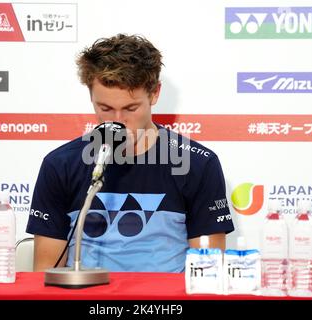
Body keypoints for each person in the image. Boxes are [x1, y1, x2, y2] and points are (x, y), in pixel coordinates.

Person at [26, 33, 234, 272]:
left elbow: (208, 274)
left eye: (130, 108)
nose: (118, 121)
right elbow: (45, 275)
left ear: (155, 93)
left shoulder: (197, 164)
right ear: (91, 97)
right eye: (105, 108)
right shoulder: (60, 164)